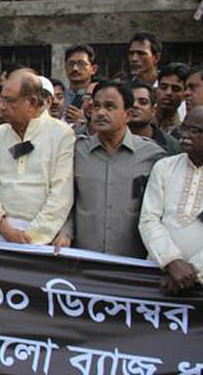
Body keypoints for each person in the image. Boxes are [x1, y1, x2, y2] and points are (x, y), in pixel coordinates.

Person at [57, 81, 165, 258]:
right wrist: (65, 232)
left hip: (133, 262)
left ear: (128, 114)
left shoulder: (152, 155)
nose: (100, 113)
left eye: (109, 107)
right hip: (82, 259)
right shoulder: (76, 150)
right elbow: (66, 200)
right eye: (96, 106)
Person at [139, 105, 203, 294]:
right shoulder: (164, 167)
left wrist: (194, 270)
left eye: (195, 131)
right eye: (184, 127)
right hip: (158, 275)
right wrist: (172, 262)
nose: (185, 135)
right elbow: (149, 219)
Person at [0, 70, 75, 245]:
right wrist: (4, 228)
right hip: (0, 234)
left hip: (43, 240)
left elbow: (61, 195)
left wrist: (31, 238)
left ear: (32, 103)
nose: (1, 107)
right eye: (1, 99)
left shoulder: (62, 134)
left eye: (9, 101)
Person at [128, 82, 181, 155]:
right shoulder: (111, 140)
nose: (135, 105)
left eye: (143, 102)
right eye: (130, 102)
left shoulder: (171, 146)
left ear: (153, 110)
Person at [63, 44, 98, 125]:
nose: (75, 68)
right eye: (71, 64)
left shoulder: (99, 97)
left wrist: (85, 121)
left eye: (81, 64)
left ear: (93, 69)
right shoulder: (59, 97)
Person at [156, 62, 189, 135]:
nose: (168, 93)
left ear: (185, 94)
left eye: (176, 89)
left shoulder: (185, 130)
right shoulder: (142, 120)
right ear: (157, 89)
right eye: (163, 87)